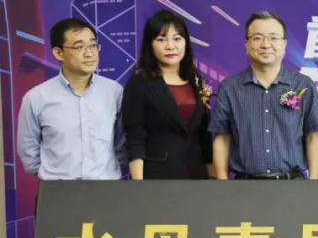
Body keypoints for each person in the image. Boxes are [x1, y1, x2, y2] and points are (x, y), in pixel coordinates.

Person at [209, 11, 318, 180]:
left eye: (273, 38)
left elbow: (313, 137)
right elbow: (222, 138)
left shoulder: (303, 85)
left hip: (293, 185)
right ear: (246, 44)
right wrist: (222, 183)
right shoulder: (230, 87)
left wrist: (313, 184)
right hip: (244, 186)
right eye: (257, 38)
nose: (266, 44)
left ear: (284, 44)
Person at [17, 18, 124, 180]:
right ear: (58, 53)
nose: (89, 53)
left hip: (106, 188)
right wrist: (52, 177)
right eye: (79, 47)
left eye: (93, 45)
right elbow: (28, 151)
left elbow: (122, 143)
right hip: (57, 189)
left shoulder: (114, 91)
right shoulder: (36, 97)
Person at [122, 10, 212, 179]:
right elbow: (135, 137)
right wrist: (138, 186)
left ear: (185, 42)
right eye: (161, 39)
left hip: (197, 174)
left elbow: (204, 135)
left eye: (177, 39)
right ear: (150, 44)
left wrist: (213, 177)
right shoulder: (140, 82)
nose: (170, 46)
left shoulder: (197, 80)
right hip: (158, 176)